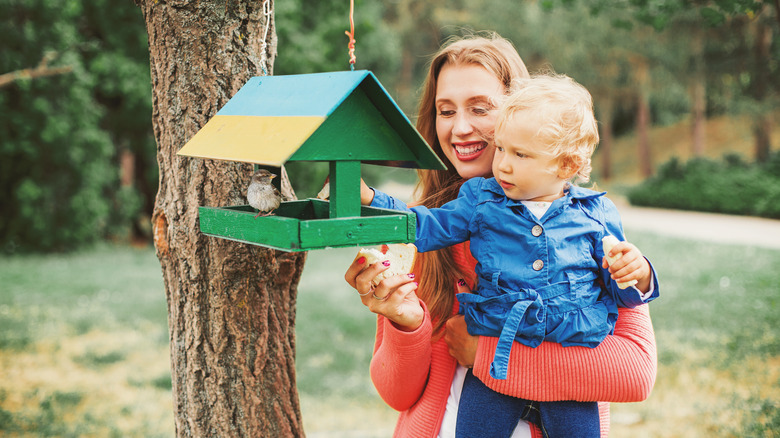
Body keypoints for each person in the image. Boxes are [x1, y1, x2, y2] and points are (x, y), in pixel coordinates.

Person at [344, 33, 658, 438]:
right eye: (445, 110)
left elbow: (633, 373)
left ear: (518, 110)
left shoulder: (585, 220)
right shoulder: (426, 230)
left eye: (480, 108)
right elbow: (397, 395)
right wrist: (406, 323)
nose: (459, 128)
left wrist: (484, 355)